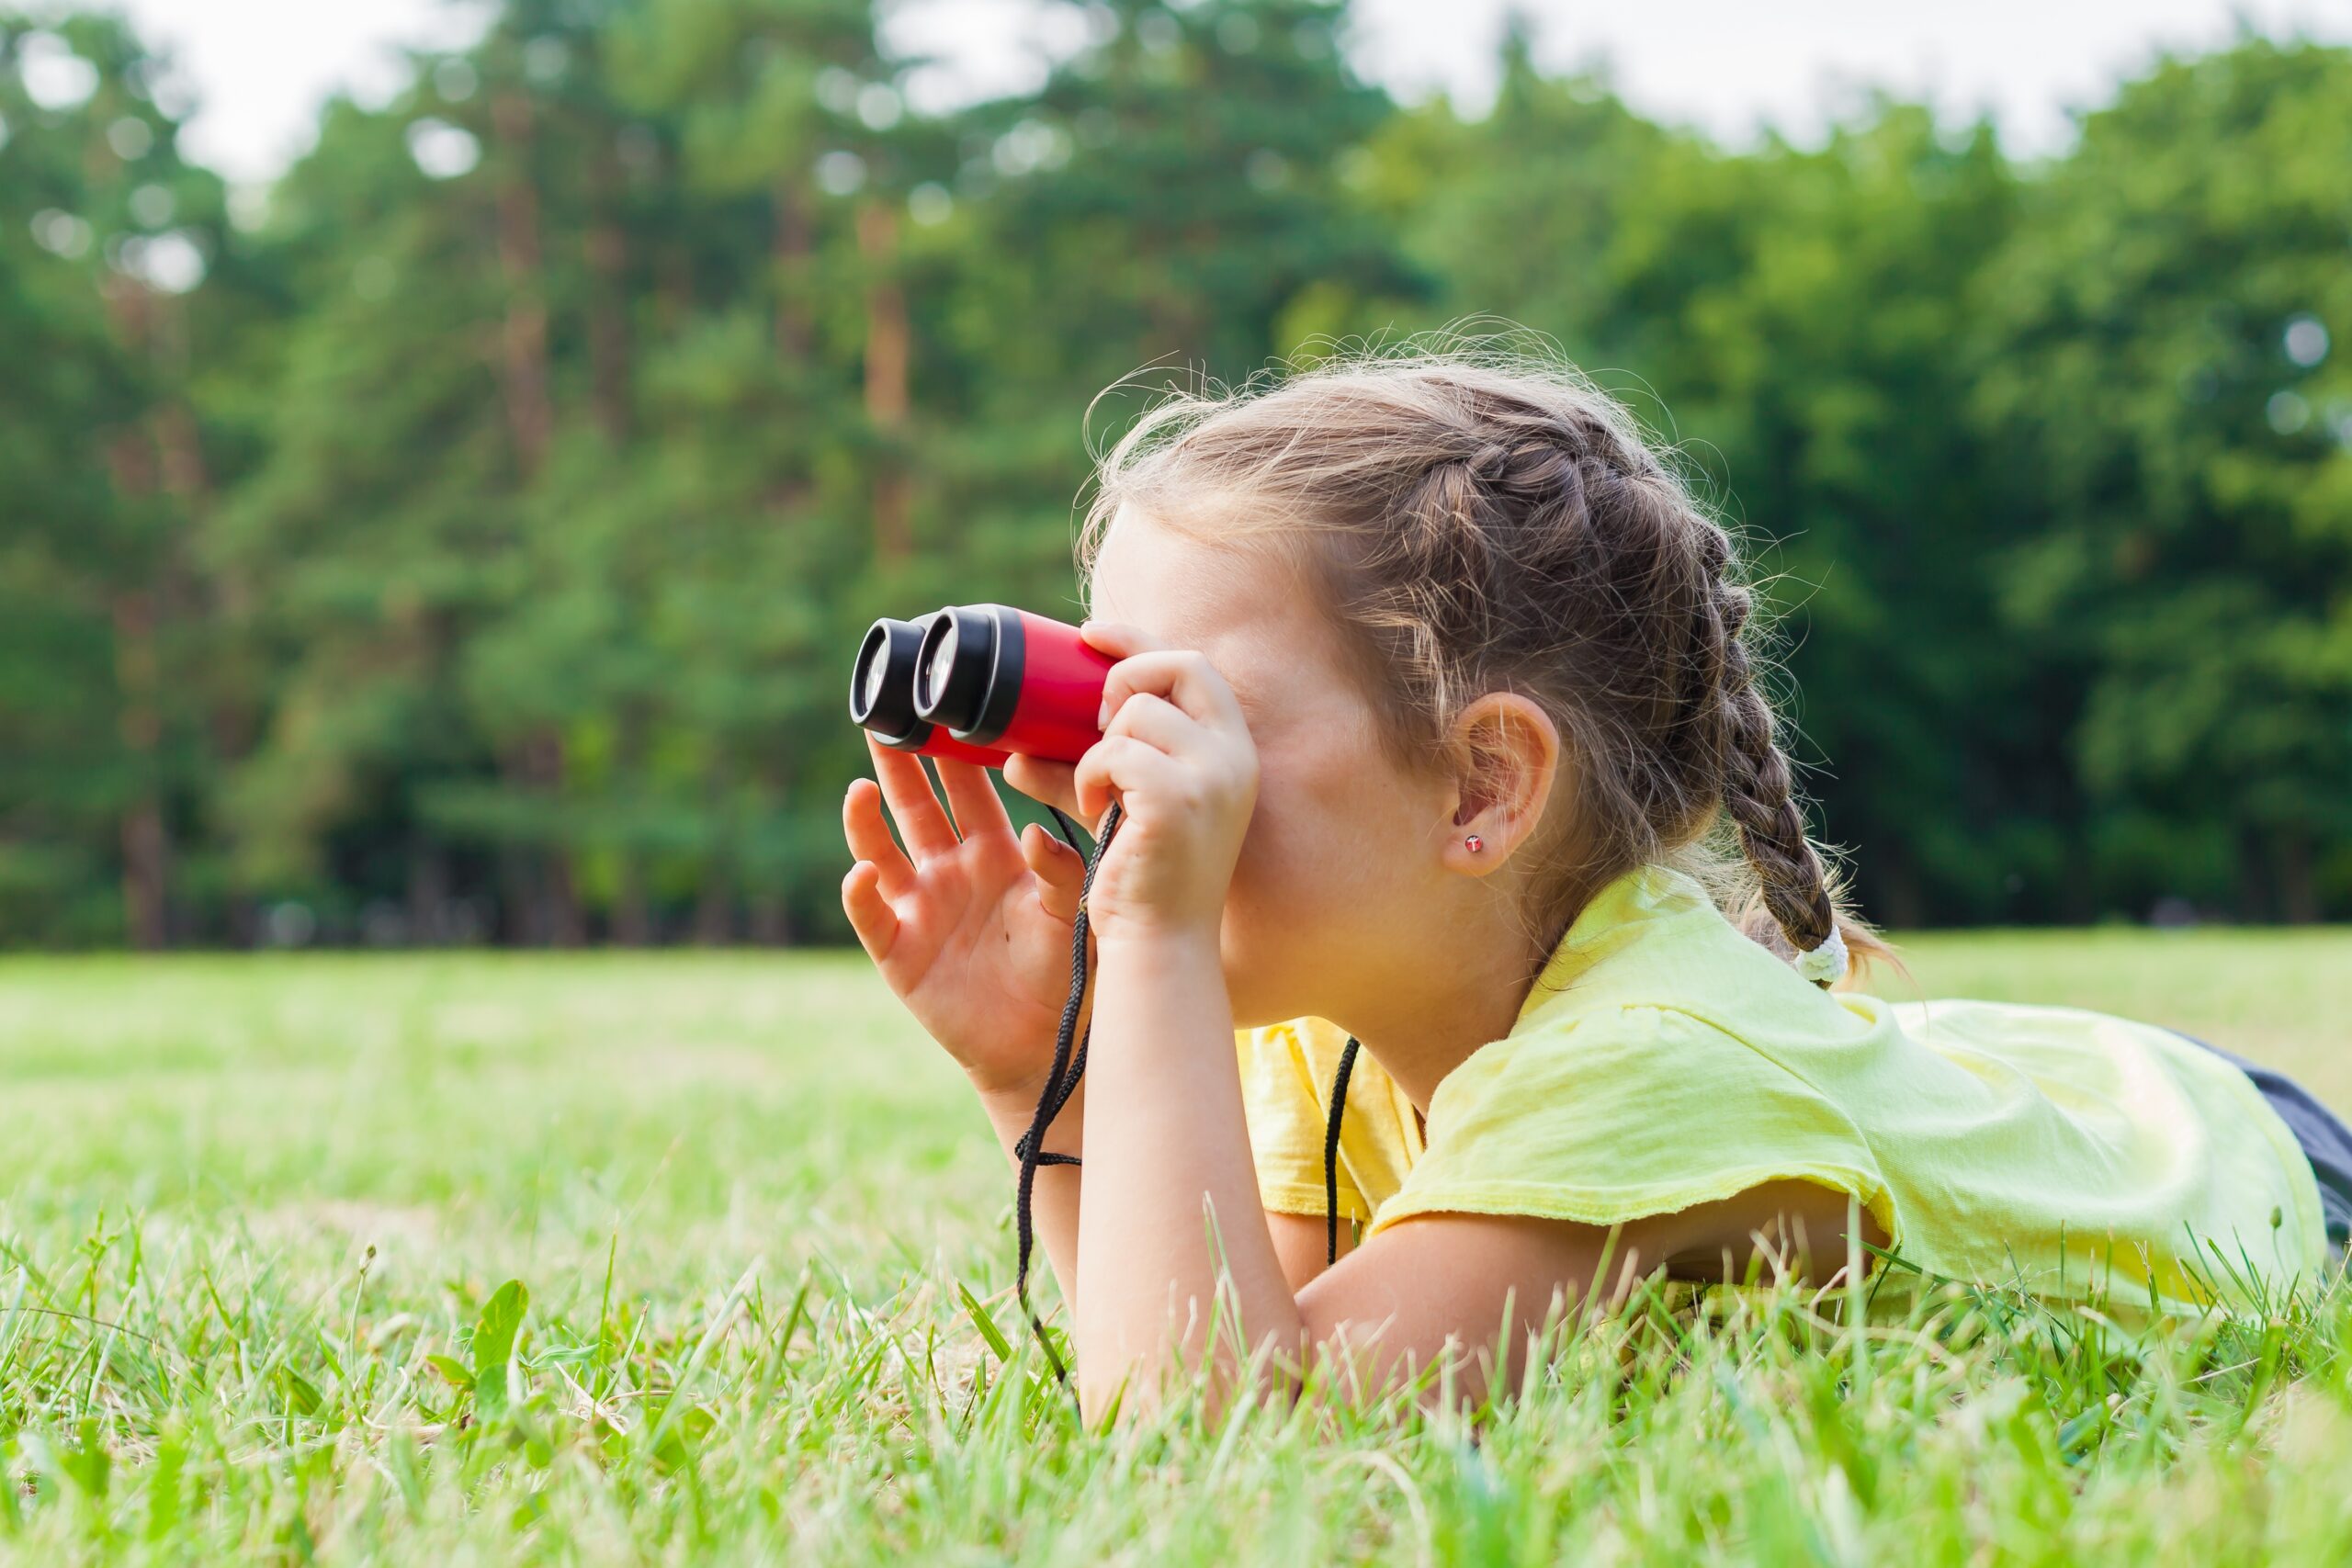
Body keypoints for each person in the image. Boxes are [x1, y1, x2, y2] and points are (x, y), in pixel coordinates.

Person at [839, 348, 2349, 1417]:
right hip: (1996, 1088)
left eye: (1195, 710)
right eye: (1108, 698)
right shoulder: (1333, 1019)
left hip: (2248, 1175)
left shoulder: (1643, 1065)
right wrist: (1058, 1081)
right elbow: (1218, 1341)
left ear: (1482, 787)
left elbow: (1220, 1440)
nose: (1115, 767)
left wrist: (1153, 939)